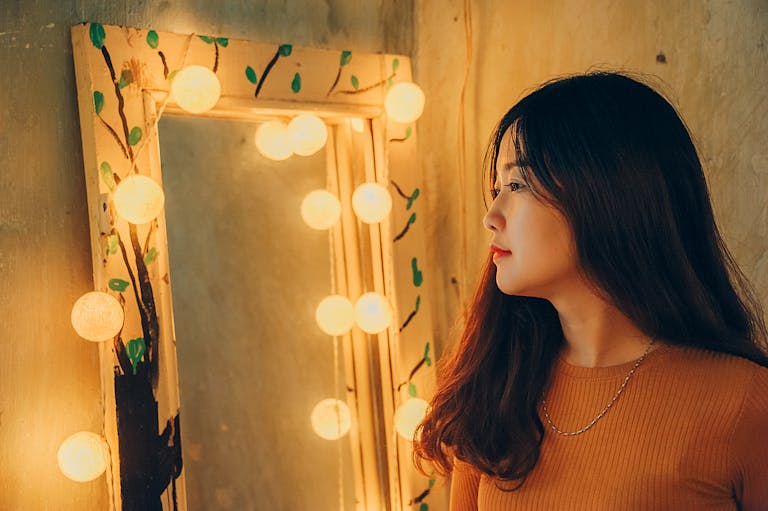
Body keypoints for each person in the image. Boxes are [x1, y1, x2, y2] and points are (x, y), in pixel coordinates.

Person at [413, 71, 768, 510]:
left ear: (606, 194)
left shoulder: (744, 402)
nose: (492, 215)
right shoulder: (497, 388)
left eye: (517, 184)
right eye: (496, 189)